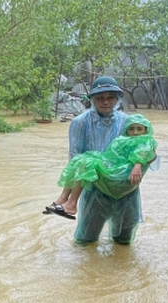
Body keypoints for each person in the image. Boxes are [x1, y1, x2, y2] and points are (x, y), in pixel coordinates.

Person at [47, 75, 158, 245]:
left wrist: (143, 163)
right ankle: (67, 202)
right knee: (86, 240)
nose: (105, 102)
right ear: (92, 99)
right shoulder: (80, 122)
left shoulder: (128, 122)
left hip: (126, 187)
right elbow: (75, 159)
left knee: (124, 241)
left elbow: (147, 148)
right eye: (100, 98)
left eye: (110, 97)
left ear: (117, 99)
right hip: (95, 189)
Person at [44, 114, 157, 220]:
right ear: (127, 130)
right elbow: (111, 156)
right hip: (116, 167)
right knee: (79, 159)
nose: (135, 132)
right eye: (131, 129)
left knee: (87, 163)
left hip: (121, 174)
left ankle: (72, 204)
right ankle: (64, 198)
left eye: (139, 129)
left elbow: (144, 152)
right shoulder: (123, 140)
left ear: (146, 130)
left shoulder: (147, 141)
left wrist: (138, 165)